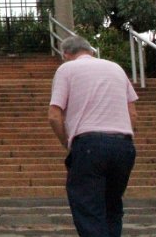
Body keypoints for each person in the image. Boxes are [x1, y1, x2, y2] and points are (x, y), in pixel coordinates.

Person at [48, 36, 138, 237]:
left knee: (88, 209)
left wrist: (67, 142)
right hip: (124, 145)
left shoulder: (67, 70)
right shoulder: (116, 69)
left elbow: (54, 115)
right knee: (112, 208)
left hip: (89, 143)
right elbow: (133, 113)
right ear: (91, 51)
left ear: (66, 55)